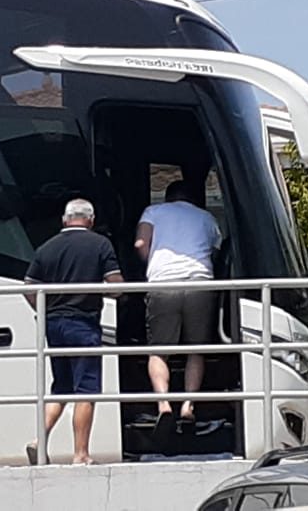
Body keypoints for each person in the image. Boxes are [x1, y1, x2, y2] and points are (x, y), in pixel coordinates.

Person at [23, 198, 123, 465]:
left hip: (53, 324)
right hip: (83, 323)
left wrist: (43, 310)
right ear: (91, 220)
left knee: (62, 387)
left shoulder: (47, 247)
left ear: (64, 220)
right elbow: (115, 285)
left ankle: (39, 439)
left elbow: (29, 286)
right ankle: (80, 453)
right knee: (86, 389)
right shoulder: (100, 244)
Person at [135, 180, 222, 434]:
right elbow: (215, 251)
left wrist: (150, 263)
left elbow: (140, 244)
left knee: (159, 351)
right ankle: (188, 406)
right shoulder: (206, 218)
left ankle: (163, 405)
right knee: (196, 350)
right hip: (200, 283)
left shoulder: (153, 212)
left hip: (163, 283)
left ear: (167, 198)